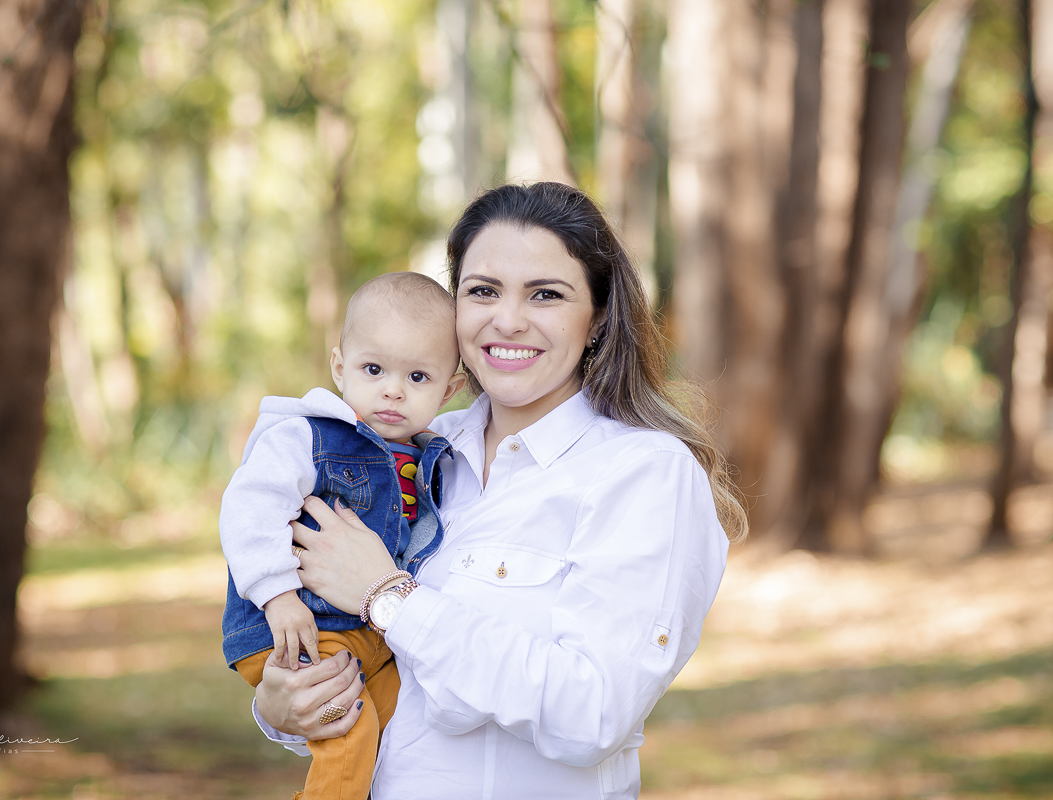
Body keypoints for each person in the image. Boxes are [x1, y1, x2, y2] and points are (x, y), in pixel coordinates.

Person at [254, 182, 748, 800]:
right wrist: (285, 710)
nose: (508, 320)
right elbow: (381, 686)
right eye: (483, 291)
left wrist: (389, 596)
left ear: (596, 317)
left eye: (545, 295)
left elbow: (593, 712)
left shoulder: (643, 473)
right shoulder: (412, 454)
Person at [218, 271, 466, 800]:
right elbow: (249, 508)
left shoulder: (432, 457)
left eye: (418, 377)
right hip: (298, 625)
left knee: (408, 719)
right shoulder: (307, 435)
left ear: (450, 390)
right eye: (373, 368)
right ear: (339, 366)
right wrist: (278, 595)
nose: (393, 389)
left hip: (369, 636)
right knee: (348, 734)